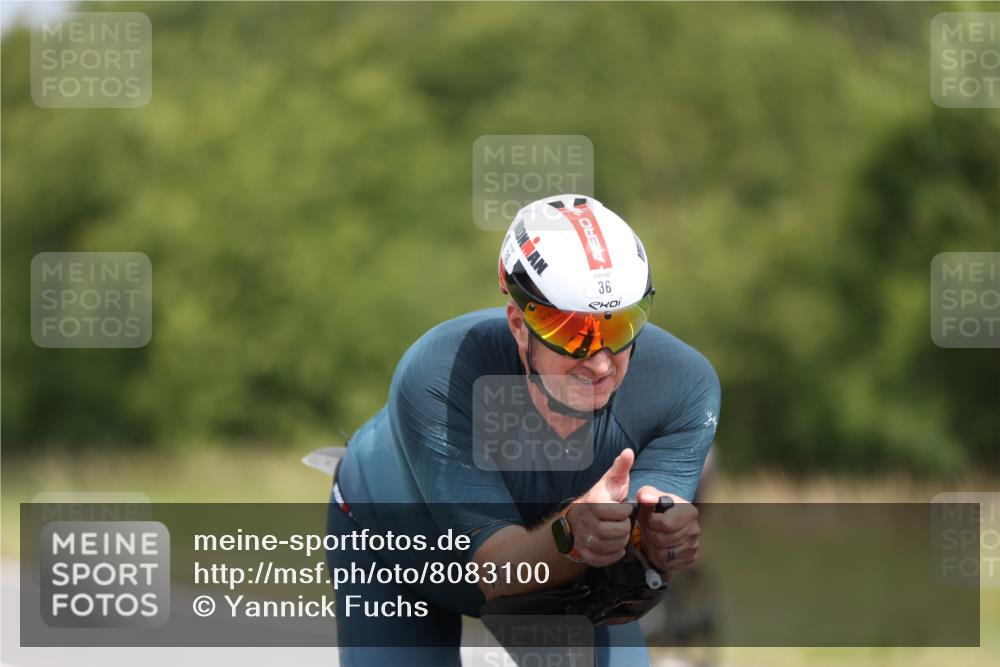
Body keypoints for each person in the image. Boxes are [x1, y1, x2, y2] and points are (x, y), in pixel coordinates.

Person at [326, 195, 721, 666]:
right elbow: (498, 570)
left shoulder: (685, 385)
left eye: (619, 326)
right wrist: (572, 533)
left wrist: (659, 543)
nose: (599, 362)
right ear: (518, 324)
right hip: (399, 546)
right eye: (574, 332)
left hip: (557, 570)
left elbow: (633, 565)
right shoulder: (438, 373)